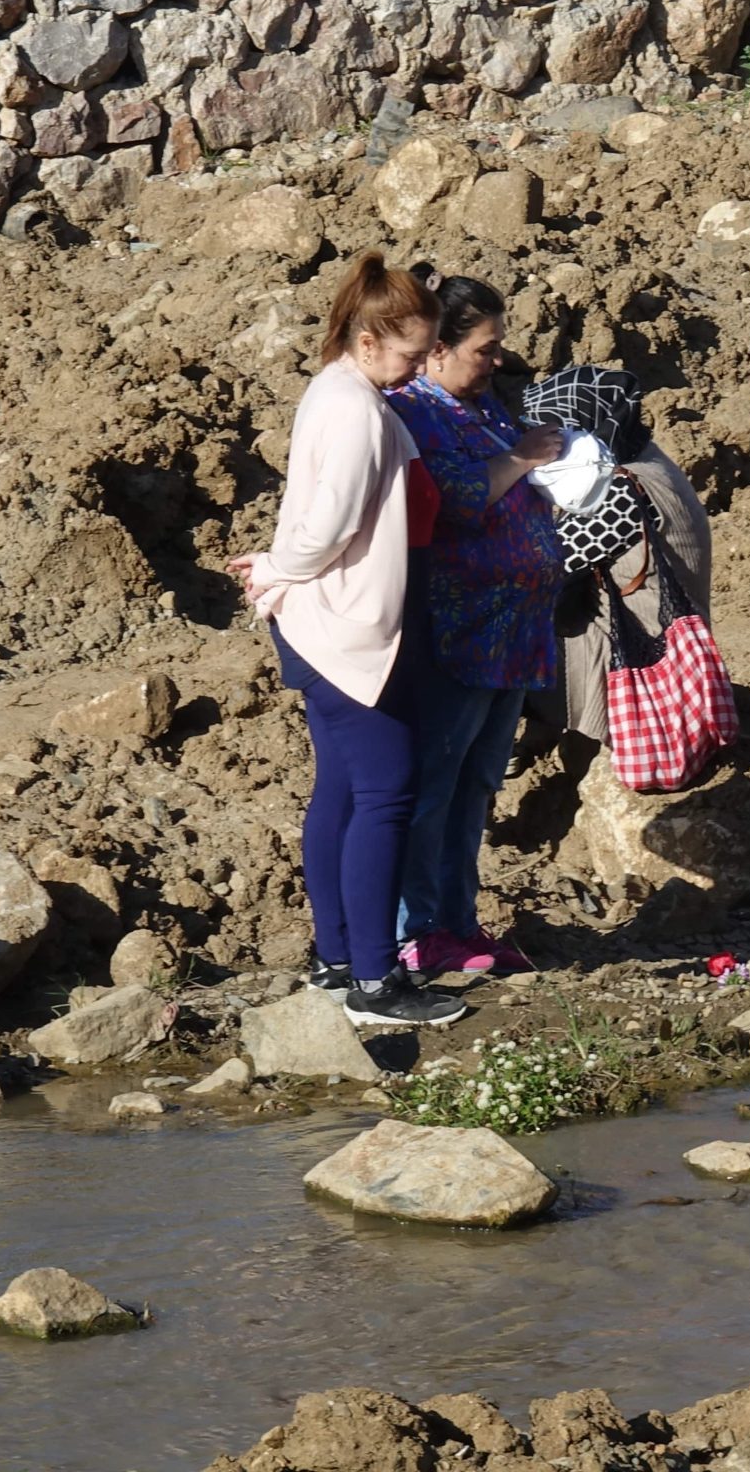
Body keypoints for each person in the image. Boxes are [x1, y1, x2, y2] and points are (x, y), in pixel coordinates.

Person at [230, 253, 466, 1028]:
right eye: (411, 352)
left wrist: (283, 573)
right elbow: (325, 527)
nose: (420, 365)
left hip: (323, 625)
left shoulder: (337, 390)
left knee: (341, 788)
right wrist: (275, 565)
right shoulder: (360, 411)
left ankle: (337, 963)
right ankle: (375, 982)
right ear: (367, 340)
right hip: (346, 630)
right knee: (386, 793)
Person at [385, 274, 566, 977]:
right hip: (461, 632)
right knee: (436, 785)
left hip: (515, 636)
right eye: (483, 349)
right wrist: (523, 457)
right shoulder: (415, 413)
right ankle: (415, 928)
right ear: (435, 350)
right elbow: (462, 500)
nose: (496, 362)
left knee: (477, 785)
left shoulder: (483, 407)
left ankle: (458, 923)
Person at [521, 365, 716, 749]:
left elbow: (547, 567)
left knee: (501, 644)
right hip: (658, 634)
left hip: (640, 651)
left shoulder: (619, 489)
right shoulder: (646, 458)